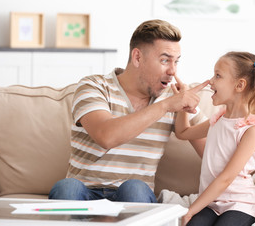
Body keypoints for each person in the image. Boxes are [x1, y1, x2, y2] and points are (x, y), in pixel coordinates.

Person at [48, 19, 209, 203]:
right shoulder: (94, 86)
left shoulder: (174, 98)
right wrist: (165, 106)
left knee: (134, 188)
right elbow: (106, 136)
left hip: (133, 197)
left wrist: (238, 119)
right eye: (165, 60)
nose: (173, 71)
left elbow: (214, 152)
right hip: (84, 192)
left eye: (176, 62)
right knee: (67, 187)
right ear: (137, 57)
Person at [172, 51, 255, 226]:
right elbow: (183, 133)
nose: (211, 81)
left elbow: (226, 178)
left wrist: (192, 210)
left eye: (218, 75)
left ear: (239, 85)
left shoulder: (252, 130)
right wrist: (184, 104)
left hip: (239, 204)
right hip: (212, 204)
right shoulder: (218, 119)